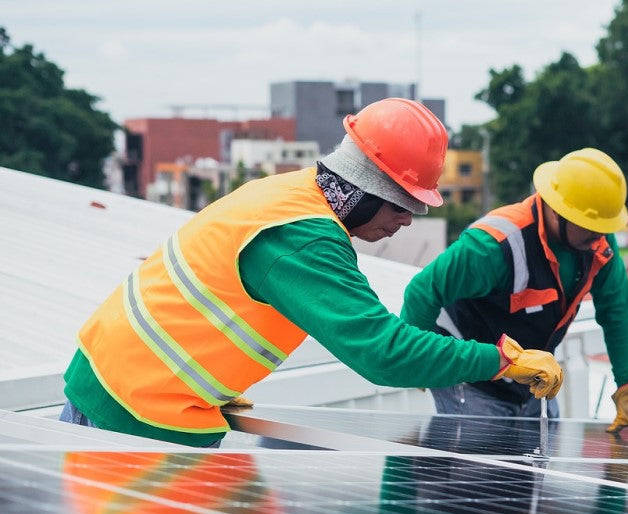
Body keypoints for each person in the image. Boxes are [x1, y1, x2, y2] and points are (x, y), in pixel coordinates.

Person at [59, 98, 562, 447]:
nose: (408, 220)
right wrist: (501, 360)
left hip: (127, 384)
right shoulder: (303, 239)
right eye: (403, 204)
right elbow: (382, 353)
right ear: (367, 187)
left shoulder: (290, 193)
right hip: (134, 409)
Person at [400, 147, 628, 439]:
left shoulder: (598, 246)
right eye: (591, 226)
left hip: (533, 380)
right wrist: (417, 363)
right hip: (472, 380)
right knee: (479, 460)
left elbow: (616, 314)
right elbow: (422, 291)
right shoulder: (494, 245)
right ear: (557, 211)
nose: (599, 236)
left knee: (536, 459)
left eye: (603, 227)